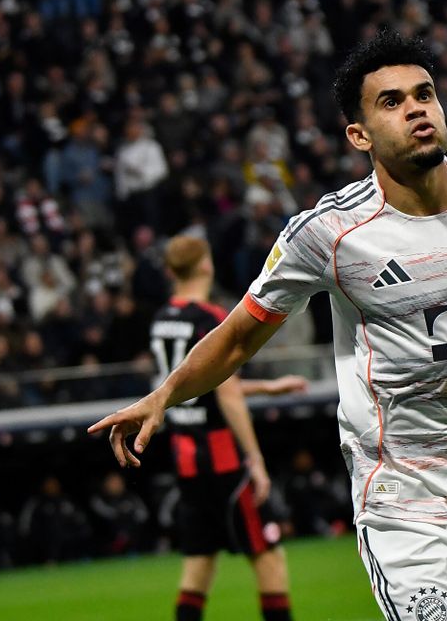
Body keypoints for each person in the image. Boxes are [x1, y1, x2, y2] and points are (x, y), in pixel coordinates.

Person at [91, 29, 447, 621]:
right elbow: (240, 336)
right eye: (392, 102)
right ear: (359, 135)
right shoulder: (329, 232)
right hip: (405, 502)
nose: (416, 110)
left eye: (424, 94)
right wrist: (164, 394)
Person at [150, 235, 306, 621]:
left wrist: (265, 387)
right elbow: (227, 395)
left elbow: (192, 384)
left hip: (186, 457)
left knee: (199, 562)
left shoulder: (161, 320)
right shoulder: (211, 317)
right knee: (269, 558)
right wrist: (255, 459)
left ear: (171, 271)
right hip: (223, 458)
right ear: (207, 265)